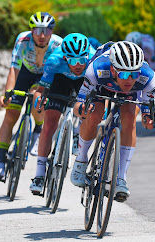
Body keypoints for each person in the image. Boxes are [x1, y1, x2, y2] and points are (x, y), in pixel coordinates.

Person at [70, 41, 155, 202]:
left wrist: (148, 119)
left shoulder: (148, 77)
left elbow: (147, 111)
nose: (129, 79)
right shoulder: (96, 69)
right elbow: (78, 106)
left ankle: (121, 178)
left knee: (130, 117)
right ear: (113, 69)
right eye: (124, 74)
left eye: (134, 74)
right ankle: (81, 159)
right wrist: (82, 110)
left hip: (131, 94)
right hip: (102, 85)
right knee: (94, 115)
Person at [0, 12, 62, 181]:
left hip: (44, 76)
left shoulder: (58, 44)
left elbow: (58, 74)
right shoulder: (23, 40)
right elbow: (14, 69)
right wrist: (8, 94)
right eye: (37, 30)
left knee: (37, 100)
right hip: (24, 72)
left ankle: (38, 130)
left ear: (52, 31)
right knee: (11, 114)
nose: (42, 35)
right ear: (31, 31)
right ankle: (1, 162)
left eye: (47, 30)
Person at [29, 33, 96, 194]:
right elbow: (41, 90)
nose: (78, 64)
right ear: (65, 58)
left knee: (88, 111)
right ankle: (39, 174)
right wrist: (39, 101)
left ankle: (77, 136)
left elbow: (99, 91)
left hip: (84, 81)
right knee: (50, 123)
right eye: (73, 60)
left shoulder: (93, 60)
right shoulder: (54, 61)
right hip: (60, 79)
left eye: (82, 59)